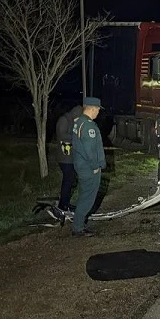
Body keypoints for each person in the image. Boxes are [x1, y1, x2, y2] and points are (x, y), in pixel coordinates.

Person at [70, 97, 107, 237]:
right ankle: (78, 228)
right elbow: (90, 150)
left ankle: (78, 224)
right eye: (97, 110)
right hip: (89, 168)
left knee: (84, 195)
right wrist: (95, 166)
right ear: (92, 109)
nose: (98, 112)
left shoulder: (79, 122)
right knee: (87, 199)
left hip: (81, 165)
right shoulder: (88, 126)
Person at [49, 104, 84, 220]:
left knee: (71, 180)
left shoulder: (74, 121)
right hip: (64, 158)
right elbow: (62, 135)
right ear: (75, 114)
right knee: (68, 180)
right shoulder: (64, 120)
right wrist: (76, 137)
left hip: (71, 157)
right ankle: (62, 206)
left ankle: (65, 203)